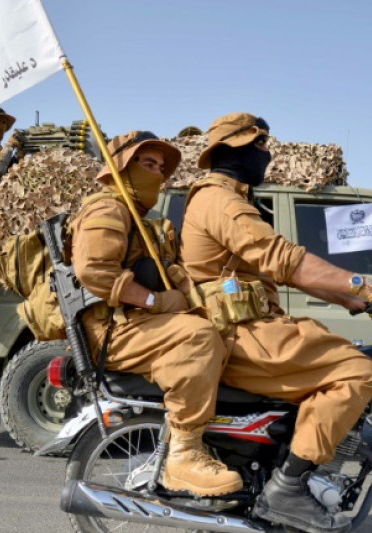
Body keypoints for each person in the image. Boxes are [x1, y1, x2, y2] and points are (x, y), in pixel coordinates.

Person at [179, 112, 372, 533]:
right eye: (261, 146)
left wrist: (354, 301)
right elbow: (284, 260)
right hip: (238, 335)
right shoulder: (220, 201)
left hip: (250, 328)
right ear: (235, 151)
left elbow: (279, 271)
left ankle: (286, 471)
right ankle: (287, 488)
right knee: (356, 371)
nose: (267, 154)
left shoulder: (230, 198)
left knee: (333, 351)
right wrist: (366, 286)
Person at [69, 130, 242, 497]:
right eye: (148, 164)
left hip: (135, 326)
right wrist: (156, 302)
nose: (158, 174)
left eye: (161, 168)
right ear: (121, 167)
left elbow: (171, 271)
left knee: (223, 330)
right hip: (109, 332)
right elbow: (95, 270)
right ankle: (184, 454)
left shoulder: (143, 220)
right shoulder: (107, 207)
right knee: (197, 338)